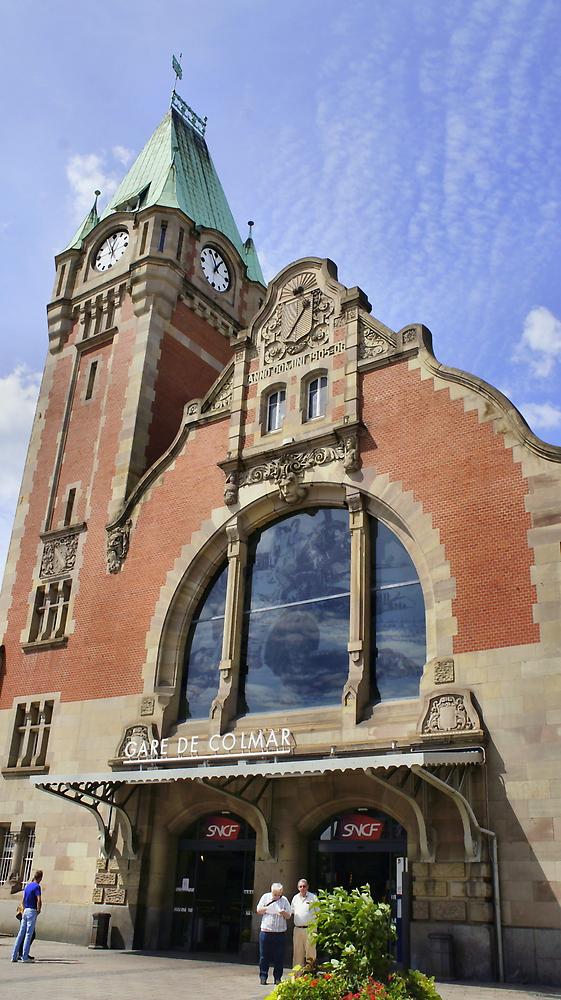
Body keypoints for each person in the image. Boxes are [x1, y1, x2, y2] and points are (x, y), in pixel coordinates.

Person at [256, 881, 291, 985]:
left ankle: (277, 977)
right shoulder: (265, 897)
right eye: (274, 895)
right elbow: (258, 910)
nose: (276, 897)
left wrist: (284, 913)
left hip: (279, 932)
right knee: (264, 955)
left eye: (278, 895)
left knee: (279, 956)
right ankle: (263, 976)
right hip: (266, 931)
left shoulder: (284, 900)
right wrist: (267, 908)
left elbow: (289, 916)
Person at [11, 869, 43, 963]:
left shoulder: (28, 886)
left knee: (21, 933)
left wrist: (24, 908)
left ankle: (14, 955)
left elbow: (23, 899)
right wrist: (39, 909)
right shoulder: (37, 886)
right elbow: (39, 900)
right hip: (32, 910)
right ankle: (25, 956)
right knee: (28, 934)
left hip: (25, 910)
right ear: (40, 878)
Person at [291, 878, 318, 968]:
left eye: (304, 886)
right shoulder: (295, 898)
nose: (302, 888)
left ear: (308, 887)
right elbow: (292, 911)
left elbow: (319, 913)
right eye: (300, 886)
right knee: (297, 952)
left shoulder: (313, 898)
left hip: (310, 928)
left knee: (310, 953)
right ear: (298, 888)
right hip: (298, 929)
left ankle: (311, 975)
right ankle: (296, 976)